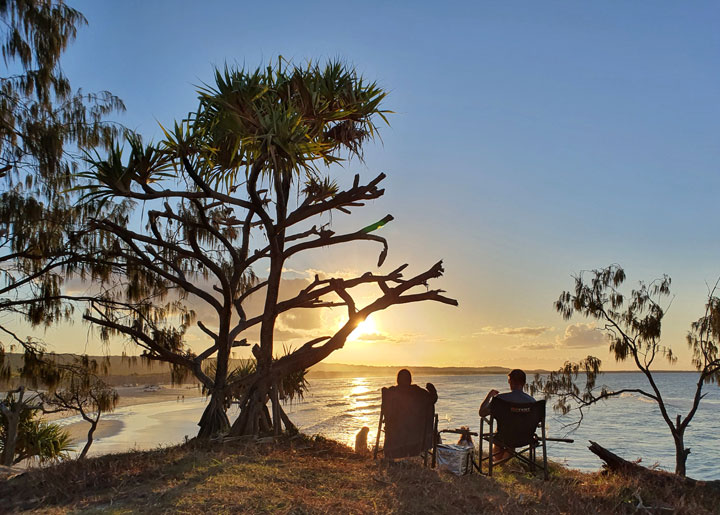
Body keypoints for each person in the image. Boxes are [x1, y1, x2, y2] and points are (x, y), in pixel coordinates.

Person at [478, 369, 535, 460]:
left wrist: (489, 396)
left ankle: (498, 462)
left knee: (504, 433)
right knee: (514, 430)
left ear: (509, 382)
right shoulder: (532, 402)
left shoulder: (500, 399)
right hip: (525, 438)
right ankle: (503, 462)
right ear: (524, 383)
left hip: (503, 437)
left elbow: (482, 413)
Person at [381, 369, 438, 459]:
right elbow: (432, 399)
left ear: (397, 380)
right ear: (410, 380)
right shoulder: (419, 393)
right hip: (416, 438)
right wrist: (431, 390)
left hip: (394, 437)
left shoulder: (390, 393)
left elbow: (387, 412)